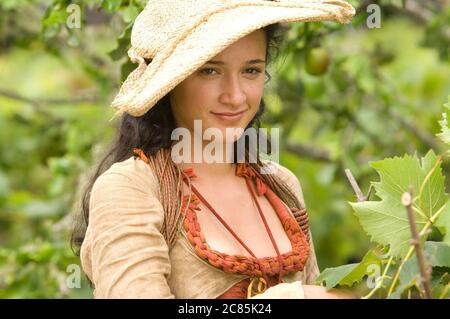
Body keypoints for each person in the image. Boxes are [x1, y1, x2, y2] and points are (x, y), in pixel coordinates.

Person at [72, 0, 356, 299]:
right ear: (171, 82)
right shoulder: (130, 189)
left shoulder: (281, 186)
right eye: (210, 71)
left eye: (251, 70)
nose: (235, 96)